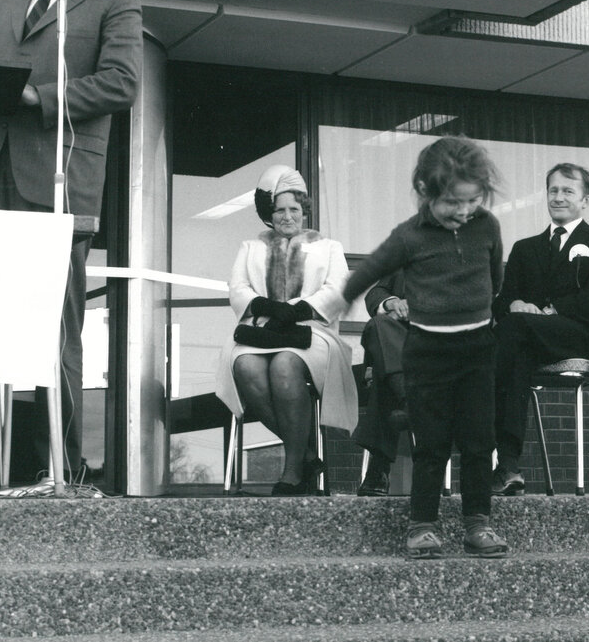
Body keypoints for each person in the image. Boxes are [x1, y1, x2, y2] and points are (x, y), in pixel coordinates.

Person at [0, 0, 143, 480]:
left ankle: (62, 464)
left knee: (53, 328)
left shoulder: (114, 1)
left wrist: (37, 97)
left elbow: (121, 83)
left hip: (58, 180)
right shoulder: (1, 1)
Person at [337, 136, 508, 558]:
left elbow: (495, 279)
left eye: (472, 201)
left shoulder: (487, 226)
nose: (464, 211)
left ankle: (478, 523)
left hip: (477, 350)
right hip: (428, 353)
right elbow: (369, 273)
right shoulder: (409, 236)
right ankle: (422, 526)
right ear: (425, 191)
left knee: (479, 441)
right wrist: (339, 298)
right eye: (452, 202)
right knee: (430, 444)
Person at [216, 165, 358, 496]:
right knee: (244, 365)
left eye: (294, 209)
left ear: (304, 210)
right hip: (262, 329)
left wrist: (300, 309)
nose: (287, 216)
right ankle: (306, 454)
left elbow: (338, 289)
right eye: (279, 210)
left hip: (311, 330)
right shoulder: (250, 247)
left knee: (284, 364)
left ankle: (293, 470)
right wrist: (266, 306)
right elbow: (237, 288)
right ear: (270, 214)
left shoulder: (329, 247)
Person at [492, 163, 589, 496]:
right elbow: (504, 300)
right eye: (553, 190)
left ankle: (470, 420)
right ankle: (508, 466)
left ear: (586, 200)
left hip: (581, 336)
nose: (558, 197)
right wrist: (516, 304)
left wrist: (551, 311)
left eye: (568, 191)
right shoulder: (525, 248)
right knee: (517, 356)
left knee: (509, 335)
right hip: (529, 337)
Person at [354, 272, 409, 497]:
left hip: (442, 347)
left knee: (386, 373)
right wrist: (391, 303)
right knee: (378, 324)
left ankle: (378, 469)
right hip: (402, 346)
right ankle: (408, 399)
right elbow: (376, 292)